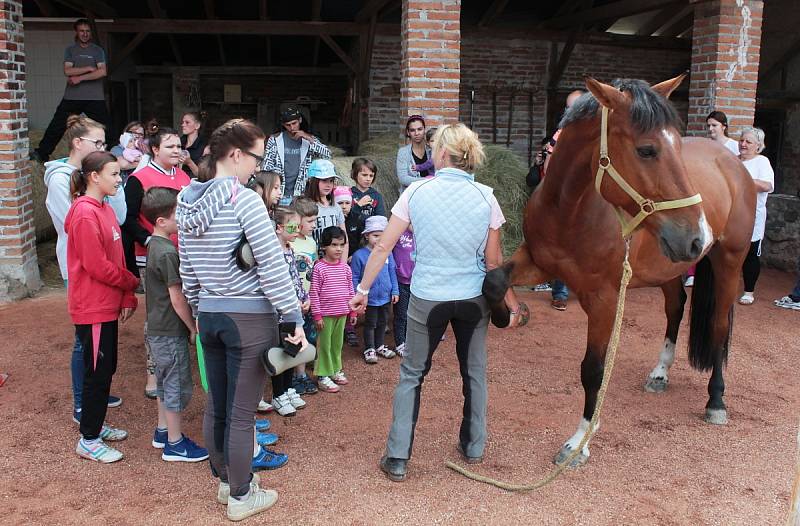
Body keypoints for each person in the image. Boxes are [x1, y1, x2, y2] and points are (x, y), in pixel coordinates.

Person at [349, 123, 521, 482]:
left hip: (428, 296)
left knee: (412, 373)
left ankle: (397, 457)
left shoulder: (416, 191)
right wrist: (511, 301)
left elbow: (383, 246)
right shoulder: (487, 196)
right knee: (474, 371)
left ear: (441, 154)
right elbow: (493, 263)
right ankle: (474, 446)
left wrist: (362, 290)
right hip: (473, 297)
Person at [177, 118, 307, 521]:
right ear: (235, 155)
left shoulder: (185, 201)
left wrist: (199, 310)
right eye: (257, 157)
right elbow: (270, 263)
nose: (259, 165)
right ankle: (240, 494)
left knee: (217, 403)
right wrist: (291, 315)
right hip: (247, 317)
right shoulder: (244, 200)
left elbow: (187, 270)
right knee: (241, 412)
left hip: (211, 314)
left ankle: (224, 482)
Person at [44, 114, 124, 423]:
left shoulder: (95, 192)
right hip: (82, 274)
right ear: (78, 143)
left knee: (97, 354)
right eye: (98, 142)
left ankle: (94, 395)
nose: (102, 146)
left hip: (99, 274)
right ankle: (84, 403)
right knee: (85, 344)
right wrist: (125, 280)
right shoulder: (66, 185)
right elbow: (82, 235)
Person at [65, 151, 139, 463]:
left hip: (106, 302)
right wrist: (130, 282)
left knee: (105, 368)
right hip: (93, 305)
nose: (119, 180)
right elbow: (97, 266)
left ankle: (93, 425)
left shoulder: (103, 208)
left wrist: (125, 294)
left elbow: (115, 257)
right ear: (94, 176)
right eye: (114, 174)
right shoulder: (85, 213)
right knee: (96, 372)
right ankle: (89, 439)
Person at [122, 123, 192, 399]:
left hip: (182, 254)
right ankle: (153, 373)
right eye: (170, 146)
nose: (177, 150)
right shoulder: (140, 178)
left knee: (181, 302)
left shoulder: (185, 177)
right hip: (153, 253)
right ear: (154, 149)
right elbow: (127, 219)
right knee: (158, 313)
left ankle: (175, 363)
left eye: (179, 146)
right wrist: (150, 240)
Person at [141, 187, 209, 463]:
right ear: (161, 221)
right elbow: (177, 297)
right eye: (177, 214)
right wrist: (193, 327)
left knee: (163, 379)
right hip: (169, 330)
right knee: (175, 384)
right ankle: (175, 443)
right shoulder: (168, 252)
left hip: (157, 327)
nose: (182, 218)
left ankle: (162, 430)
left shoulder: (154, 245)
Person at [532, 89, 584, 310]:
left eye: (574, 107)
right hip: (566, 199)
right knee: (564, 244)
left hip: (592, 199)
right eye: (567, 107)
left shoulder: (600, 134)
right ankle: (560, 292)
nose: (569, 111)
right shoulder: (560, 134)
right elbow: (548, 166)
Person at [31, 19, 110, 163]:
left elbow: (102, 72)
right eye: (82, 31)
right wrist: (88, 68)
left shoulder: (97, 50)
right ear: (77, 32)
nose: (85, 34)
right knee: (57, 125)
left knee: (106, 127)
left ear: (90, 33)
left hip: (94, 97)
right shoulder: (71, 50)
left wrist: (79, 78)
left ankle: (111, 155)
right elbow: (68, 70)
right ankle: (42, 153)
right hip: (72, 96)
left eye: (87, 31)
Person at [685, 109, 741, 287]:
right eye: (708, 125)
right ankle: (692, 271)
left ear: (724, 126)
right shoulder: (706, 145)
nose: (711, 129)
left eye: (714, 125)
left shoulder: (733, 146)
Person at [263, 206, 308, 417]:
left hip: (293, 310)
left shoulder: (289, 248)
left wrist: (303, 298)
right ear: (279, 228)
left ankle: (288, 389)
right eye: (293, 226)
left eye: (299, 226)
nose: (297, 230)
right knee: (280, 353)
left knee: (292, 351)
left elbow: (295, 278)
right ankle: (278, 394)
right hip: (278, 313)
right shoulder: (272, 251)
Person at [309, 226, 358, 393]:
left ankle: (335, 370)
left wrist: (352, 311)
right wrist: (317, 315)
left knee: (337, 345)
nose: (338, 249)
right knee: (324, 345)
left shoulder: (345, 268)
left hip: (342, 313)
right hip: (325, 315)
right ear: (324, 246)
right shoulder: (319, 268)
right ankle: (323, 375)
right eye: (334, 245)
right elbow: (314, 292)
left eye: (341, 245)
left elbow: (351, 290)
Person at [350, 215, 399, 364]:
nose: (379, 239)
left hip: (385, 295)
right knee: (370, 323)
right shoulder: (359, 255)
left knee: (383, 323)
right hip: (369, 298)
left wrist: (395, 290)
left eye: (382, 235)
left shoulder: (388, 253)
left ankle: (379, 345)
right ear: (366, 236)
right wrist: (357, 292)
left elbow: (392, 271)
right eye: (375, 235)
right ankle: (369, 348)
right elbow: (355, 277)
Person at [262, 106, 332, 202]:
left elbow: (327, 155)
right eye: (288, 125)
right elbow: (266, 167)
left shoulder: (309, 140)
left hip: (302, 194)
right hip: (279, 193)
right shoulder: (274, 140)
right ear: (283, 125)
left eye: (294, 123)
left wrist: (308, 138)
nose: (292, 128)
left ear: (300, 120)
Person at [738, 126, 775, 305]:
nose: (743, 144)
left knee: (751, 254)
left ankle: (748, 291)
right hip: (731, 216)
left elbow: (767, 185)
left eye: (748, 142)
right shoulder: (733, 160)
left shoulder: (762, 162)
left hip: (753, 217)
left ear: (758, 146)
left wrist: (741, 181)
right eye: (741, 140)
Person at [289, 197, 320, 396]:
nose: (313, 225)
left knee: (307, 336)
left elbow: (314, 270)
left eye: (315, 221)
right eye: (309, 221)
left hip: (307, 298)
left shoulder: (311, 242)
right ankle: (293, 376)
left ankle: (301, 374)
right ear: (297, 220)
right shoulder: (290, 242)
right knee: (293, 338)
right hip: (291, 300)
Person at [334, 186, 362, 347]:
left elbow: (362, 240)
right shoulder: (333, 217)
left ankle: (350, 327)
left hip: (352, 261)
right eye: (340, 203)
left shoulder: (357, 218)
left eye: (347, 202)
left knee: (351, 293)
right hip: (334, 261)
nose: (344, 206)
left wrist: (355, 255)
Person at [303, 159, 347, 247]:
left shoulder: (336, 207)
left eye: (331, 181)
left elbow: (344, 239)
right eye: (324, 180)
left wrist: (343, 261)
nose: (328, 185)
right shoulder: (304, 207)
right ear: (312, 181)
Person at [391, 227, 415, 358]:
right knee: (401, 314)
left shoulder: (424, 231)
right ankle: (400, 342)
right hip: (401, 281)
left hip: (418, 282)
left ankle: (411, 341)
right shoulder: (399, 231)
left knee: (415, 315)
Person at [395, 115, 431, 192]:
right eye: (412, 130)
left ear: (424, 130)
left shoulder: (432, 150)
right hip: (411, 195)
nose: (416, 133)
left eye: (420, 129)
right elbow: (403, 179)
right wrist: (428, 180)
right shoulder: (403, 152)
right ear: (408, 132)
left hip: (431, 193)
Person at [350, 157, 386, 222]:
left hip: (371, 230)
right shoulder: (348, 194)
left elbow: (381, 218)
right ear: (355, 174)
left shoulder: (376, 196)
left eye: (371, 176)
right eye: (364, 175)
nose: (368, 179)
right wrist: (358, 205)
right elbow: (345, 217)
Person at [180, 112, 208, 178]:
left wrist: (189, 162)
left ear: (197, 125)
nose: (183, 125)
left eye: (187, 122)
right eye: (183, 122)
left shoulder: (205, 147)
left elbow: (204, 176)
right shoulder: (178, 142)